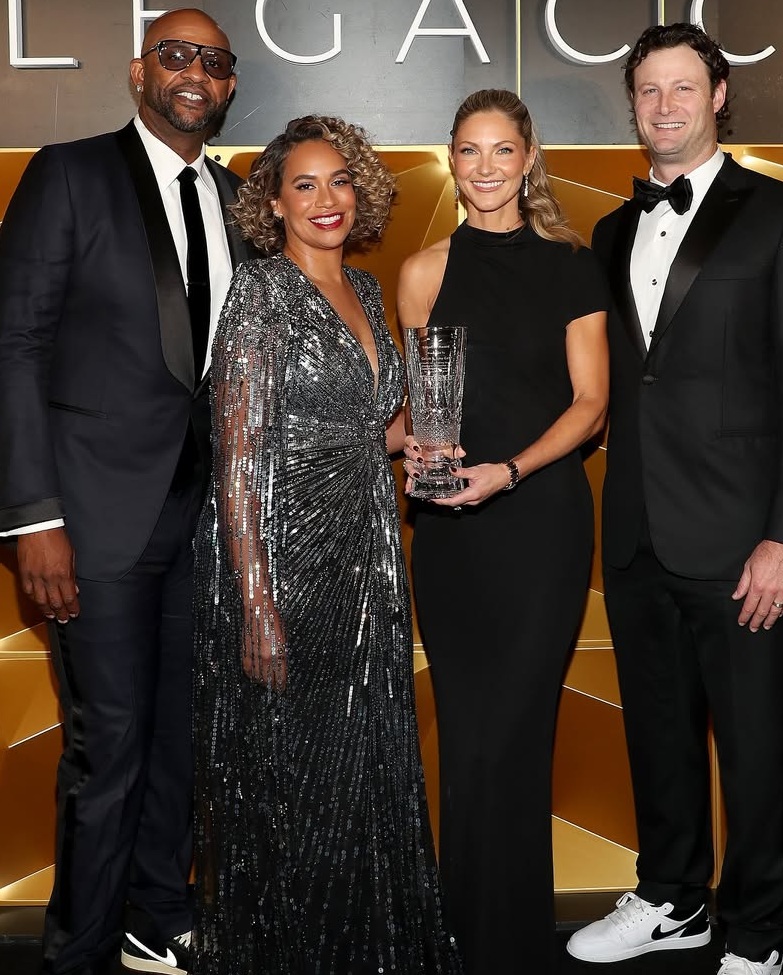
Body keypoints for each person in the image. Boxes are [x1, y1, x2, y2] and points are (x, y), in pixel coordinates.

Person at [567, 24, 783, 975]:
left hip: (740, 540)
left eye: (684, 87)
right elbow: (594, 387)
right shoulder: (607, 231)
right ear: (632, 104)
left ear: (719, 96)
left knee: (757, 745)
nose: (666, 105)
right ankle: (672, 897)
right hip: (637, 529)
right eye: (649, 90)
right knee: (659, 736)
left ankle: (757, 931)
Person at [0, 8, 254, 973]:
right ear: (139, 71)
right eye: (176, 55)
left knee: (184, 737)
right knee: (108, 748)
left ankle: (158, 912)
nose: (194, 73)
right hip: (91, 520)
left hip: (204, 524)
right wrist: (33, 516)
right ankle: (82, 949)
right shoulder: (70, 172)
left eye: (214, 63)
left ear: (229, 88)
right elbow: (13, 345)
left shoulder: (239, 200)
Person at [192, 116, 462, 975]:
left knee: (362, 767)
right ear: (273, 202)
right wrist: (255, 600)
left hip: (366, 556)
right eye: (303, 184)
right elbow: (237, 455)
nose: (325, 200)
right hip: (279, 560)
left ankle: (364, 949)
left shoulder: (371, 292)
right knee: (289, 779)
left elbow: (357, 428)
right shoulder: (261, 294)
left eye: (339, 181)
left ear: (362, 192)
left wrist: (406, 443)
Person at [395, 89, 609, 973]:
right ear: (452, 158)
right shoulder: (420, 270)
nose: (485, 167)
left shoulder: (571, 264)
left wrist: (510, 469)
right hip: (449, 534)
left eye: (502, 151)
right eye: (469, 151)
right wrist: (410, 446)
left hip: (539, 525)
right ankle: (461, 934)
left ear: (529, 159)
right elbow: (415, 408)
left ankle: (508, 942)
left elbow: (591, 406)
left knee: (516, 734)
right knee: (470, 733)